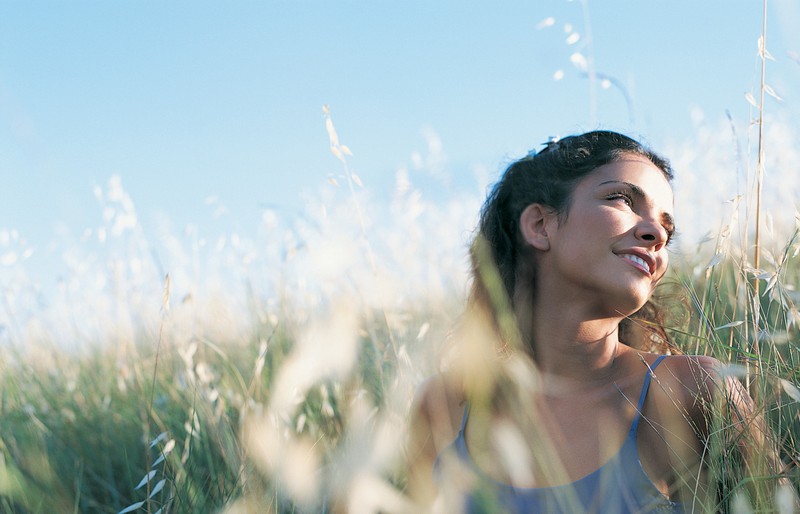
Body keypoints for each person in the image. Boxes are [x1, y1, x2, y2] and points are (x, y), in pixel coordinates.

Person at [406, 131, 776, 513]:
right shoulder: (445, 406)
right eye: (622, 199)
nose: (656, 235)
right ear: (539, 225)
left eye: (668, 228)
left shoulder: (691, 392)